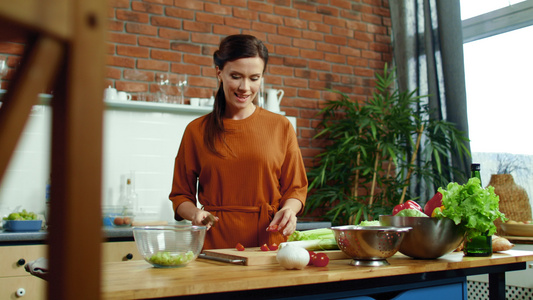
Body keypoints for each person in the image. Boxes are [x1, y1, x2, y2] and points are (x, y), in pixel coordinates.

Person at [169, 34, 308, 249]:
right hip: (214, 243)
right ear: (219, 73)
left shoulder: (281, 127)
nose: (245, 87)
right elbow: (180, 196)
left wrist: (289, 210)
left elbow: (296, 188)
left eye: (254, 78)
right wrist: (196, 213)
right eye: (236, 76)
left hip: (269, 241)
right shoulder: (196, 131)